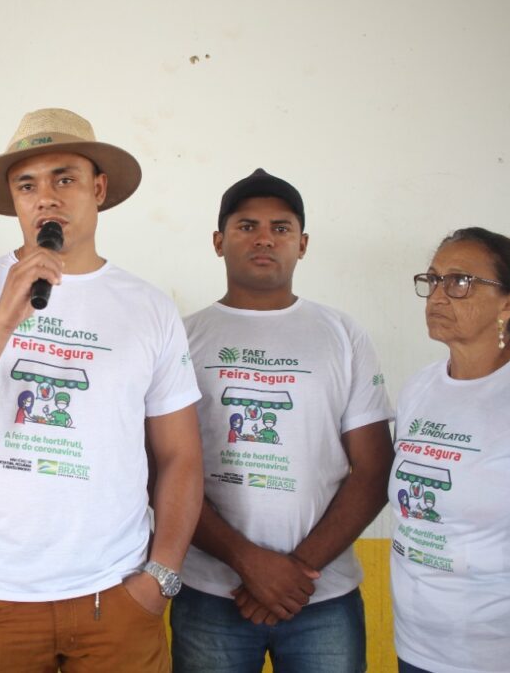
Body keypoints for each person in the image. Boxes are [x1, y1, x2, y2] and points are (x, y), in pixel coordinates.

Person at [0, 108, 205, 673]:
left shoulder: (149, 308)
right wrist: (2, 318)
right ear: (14, 200)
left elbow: (180, 455)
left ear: (98, 189)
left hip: (118, 596)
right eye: (27, 185)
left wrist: (160, 577)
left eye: (65, 179)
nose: (46, 199)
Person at [172, 169, 394, 672]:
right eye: (246, 226)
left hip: (321, 595)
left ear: (303, 244)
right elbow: (163, 466)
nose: (265, 238)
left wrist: (296, 571)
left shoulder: (343, 334)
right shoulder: (181, 338)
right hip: (211, 592)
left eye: (281, 227)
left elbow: (374, 469)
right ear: (218, 241)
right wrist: (247, 562)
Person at [390, 227, 510, 673]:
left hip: (502, 654)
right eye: (433, 280)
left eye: (460, 282)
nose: (437, 296)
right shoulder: (419, 388)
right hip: (416, 647)